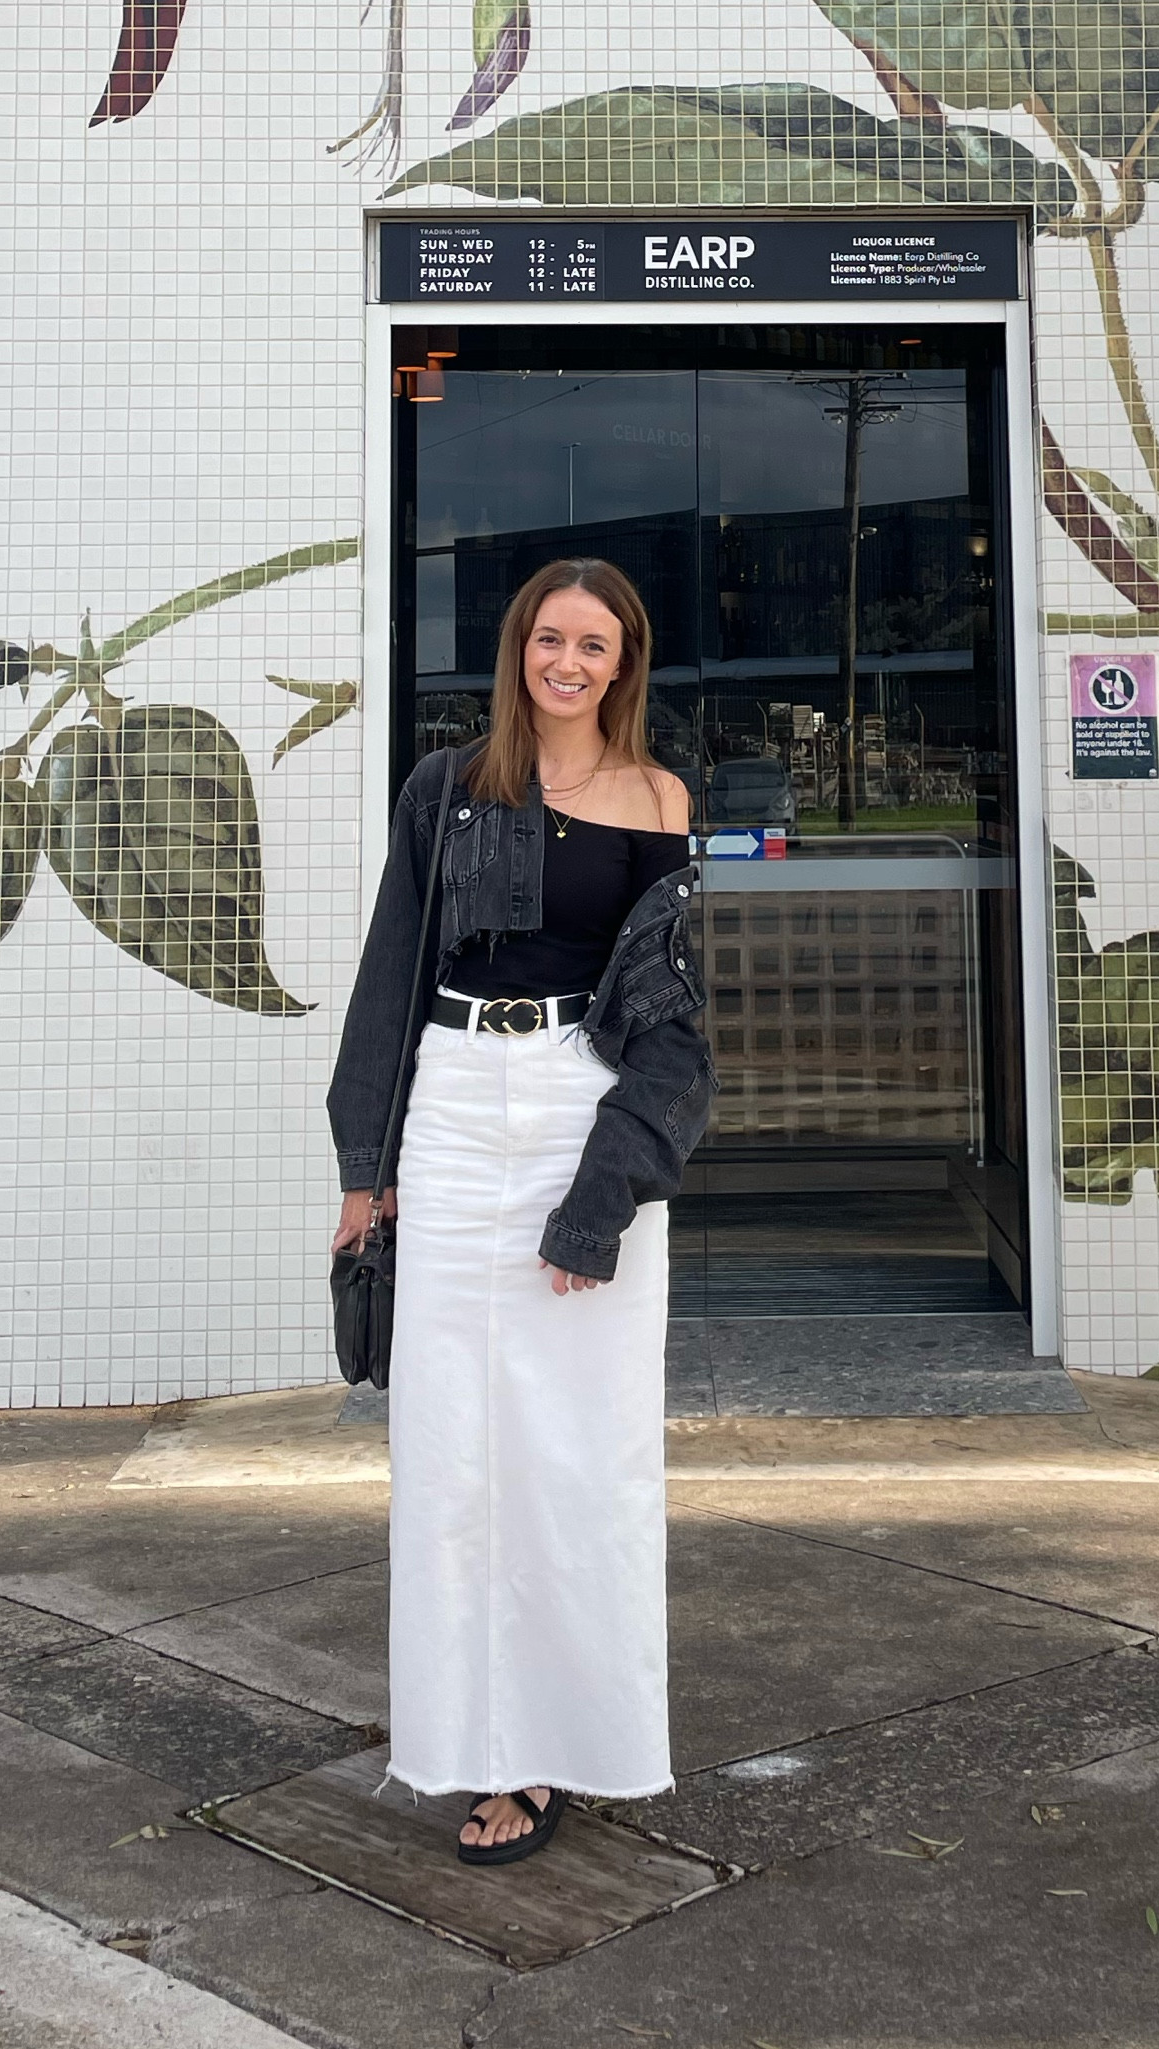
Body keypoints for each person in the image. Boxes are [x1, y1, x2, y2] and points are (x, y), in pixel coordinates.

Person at [327, 557, 714, 1865]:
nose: (567, 662)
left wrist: (600, 1198)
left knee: (581, 1451)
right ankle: (469, 1744)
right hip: (449, 1103)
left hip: (574, 1104)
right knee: (449, 1452)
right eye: (549, 638)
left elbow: (670, 1022)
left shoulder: (656, 799)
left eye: (593, 644)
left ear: (624, 662)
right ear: (518, 649)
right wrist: (365, 1169)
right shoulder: (447, 786)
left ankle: (560, 1750)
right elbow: (390, 974)